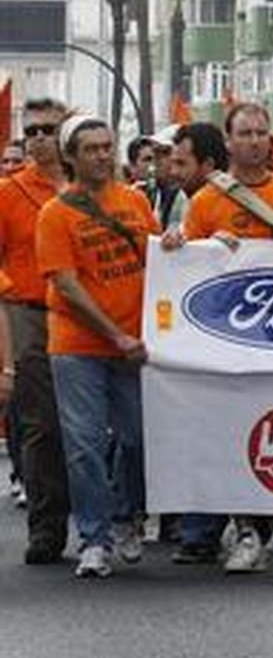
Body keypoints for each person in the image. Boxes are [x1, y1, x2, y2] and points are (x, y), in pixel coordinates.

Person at [162, 104, 273, 571]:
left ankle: (260, 523)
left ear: (272, 140)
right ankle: (243, 528)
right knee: (225, 431)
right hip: (222, 336)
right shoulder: (206, 200)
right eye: (244, 133)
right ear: (227, 142)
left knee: (271, 429)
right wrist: (185, 247)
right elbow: (184, 263)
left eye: (261, 133)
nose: (253, 141)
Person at [36, 115, 160, 578]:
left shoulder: (134, 201)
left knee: (137, 440)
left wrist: (178, 243)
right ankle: (95, 537)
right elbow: (66, 286)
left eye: (108, 146)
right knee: (85, 445)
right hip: (78, 346)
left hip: (134, 344)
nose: (103, 155)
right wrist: (115, 335)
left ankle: (128, 516)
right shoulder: (56, 213)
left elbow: (155, 256)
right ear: (71, 156)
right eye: (91, 149)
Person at [0, 99, 71, 564]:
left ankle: (109, 519)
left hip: (92, 316)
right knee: (41, 424)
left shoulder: (96, 189)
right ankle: (47, 525)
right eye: (32, 132)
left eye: (48, 130)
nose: (39, 139)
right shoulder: (8, 194)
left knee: (95, 428)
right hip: (30, 311)